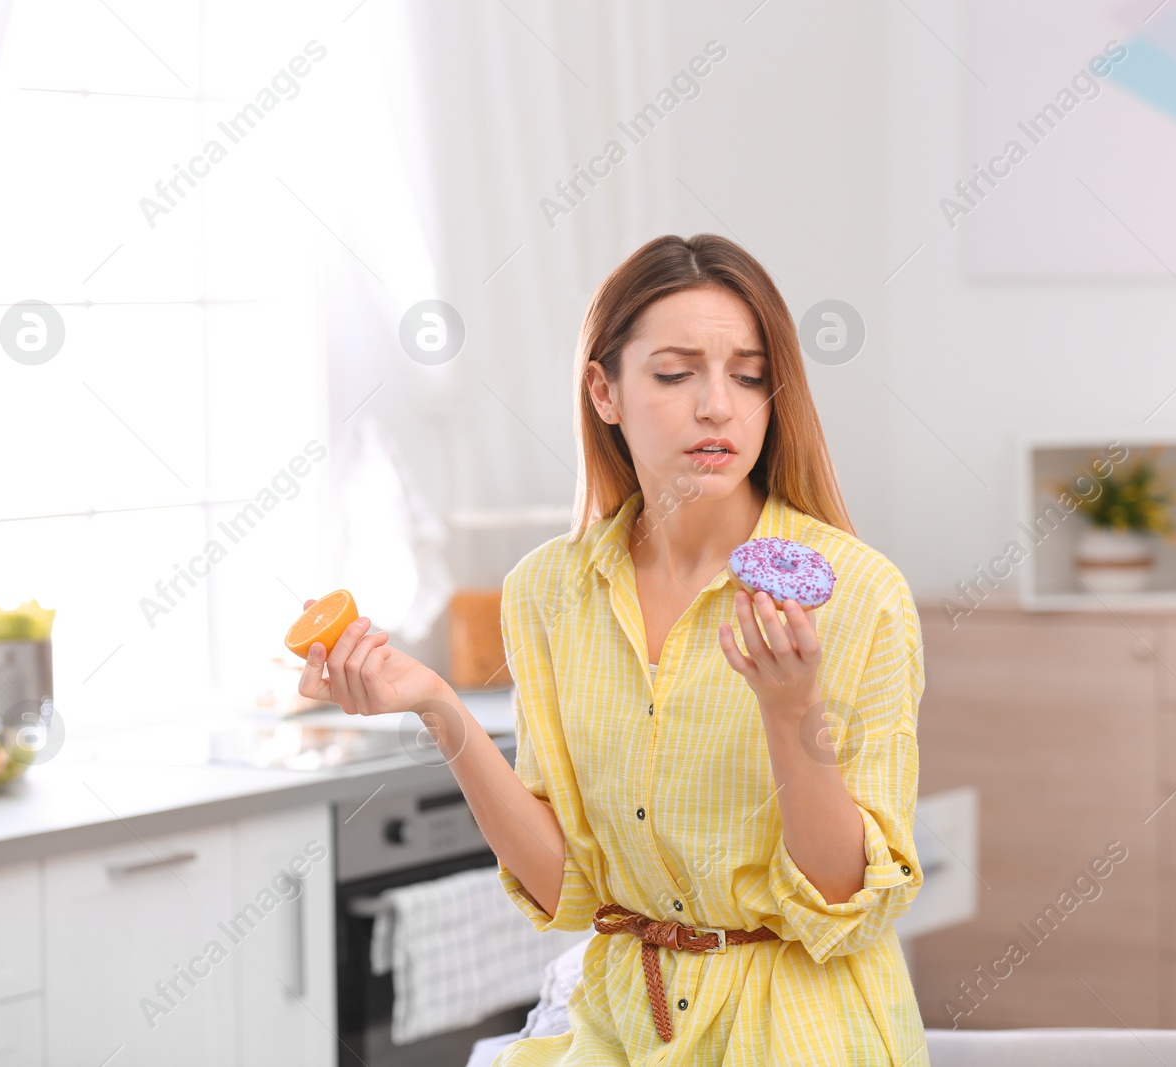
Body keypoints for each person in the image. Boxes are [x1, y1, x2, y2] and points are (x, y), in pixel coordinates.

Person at [299, 233, 929, 1065]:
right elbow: (568, 887)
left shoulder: (860, 593)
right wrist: (437, 703)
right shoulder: (549, 592)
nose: (719, 407)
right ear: (605, 390)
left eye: (747, 374)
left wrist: (791, 712)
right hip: (625, 1020)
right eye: (675, 373)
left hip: (797, 1029)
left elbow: (847, 900)